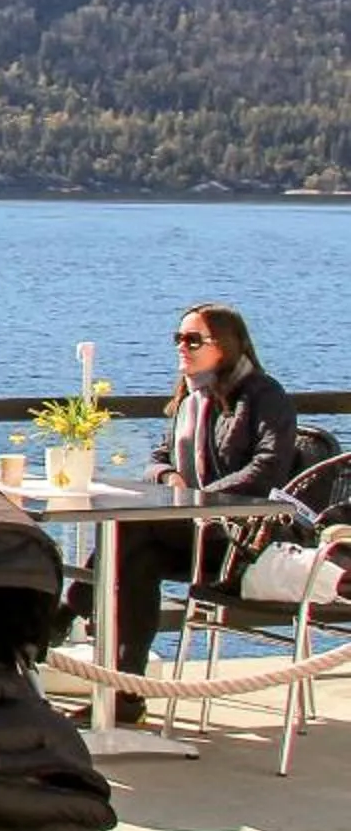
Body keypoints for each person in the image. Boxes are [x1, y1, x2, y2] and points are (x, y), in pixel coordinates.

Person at [76, 306, 302, 723]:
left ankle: (70, 606)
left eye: (193, 340)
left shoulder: (262, 395)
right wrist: (168, 475)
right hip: (194, 535)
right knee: (135, 557)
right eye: (178, 338)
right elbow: (159, 458)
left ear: (225, 346)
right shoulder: (191, 398)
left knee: (129, 529)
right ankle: (126, 696)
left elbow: (267, 468)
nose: (182, 347)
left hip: (240, 542)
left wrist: (198, 499)